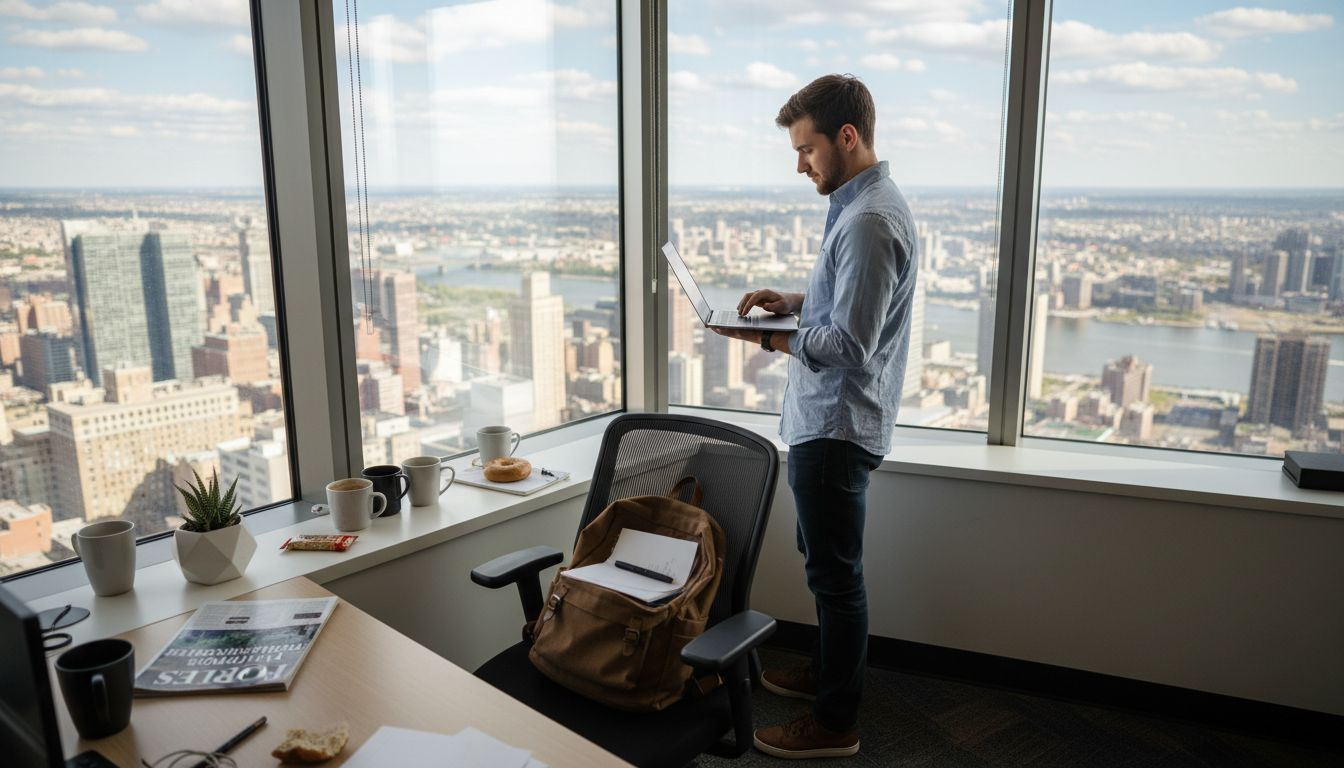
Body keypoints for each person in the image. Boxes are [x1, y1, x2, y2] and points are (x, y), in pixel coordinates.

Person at [712, 73, 919, 759]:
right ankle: (829, 672)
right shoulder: (864, 205)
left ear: (847, 137)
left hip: (835, 428)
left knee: (835, 578)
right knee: (824, 564)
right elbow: (849, 302)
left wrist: (765, 339)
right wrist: (795, 302)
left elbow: (852, 346)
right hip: (828, 423)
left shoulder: (867, 222)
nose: (800, 164)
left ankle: (835, 723)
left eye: (806, 149)